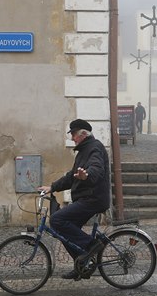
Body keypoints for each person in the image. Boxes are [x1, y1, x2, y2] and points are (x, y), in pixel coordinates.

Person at [39, 119, 111, 280]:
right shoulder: (82, 152)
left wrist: (87, 175)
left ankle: (93, 245)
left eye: (73, 134)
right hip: (86, 199)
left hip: (93, 199)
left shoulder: (95, 148)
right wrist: (52, 187)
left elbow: (96, 168)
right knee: (62, 232)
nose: (72, 138)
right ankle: (82, 264)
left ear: (83, 134)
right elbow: (71, 177)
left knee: (57, 219)